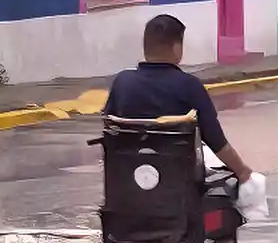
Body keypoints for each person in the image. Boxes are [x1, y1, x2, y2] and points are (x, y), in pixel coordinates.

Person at [103, 14, 253, 183]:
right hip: (179, 183)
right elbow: (216, 141)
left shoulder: (122, 82)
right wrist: (242, 171)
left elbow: (109, 126)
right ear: (176, 48)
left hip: (130, 180)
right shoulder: (189, 86)